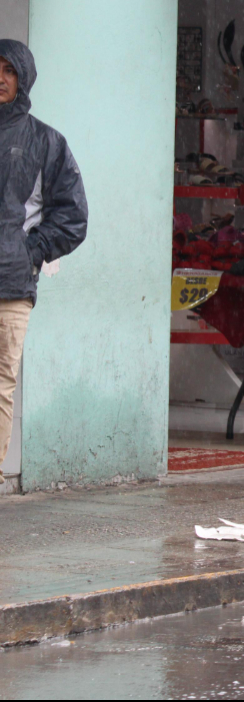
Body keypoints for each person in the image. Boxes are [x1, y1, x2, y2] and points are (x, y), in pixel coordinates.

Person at [0, 40, 88, 485]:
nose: (0, 78)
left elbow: (73, 218)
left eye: (8, 71)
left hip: (12, 287)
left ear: (23, 78)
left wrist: (29, 252)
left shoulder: (46, 143)